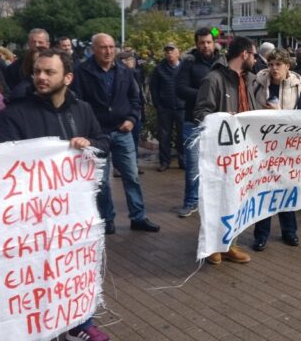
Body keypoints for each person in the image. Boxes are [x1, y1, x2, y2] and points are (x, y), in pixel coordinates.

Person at [0, 48, 111, 341]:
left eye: (49, 72)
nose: (40, 77)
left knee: (74, 267)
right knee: (34, 273)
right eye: (37, 71)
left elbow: (104, 142)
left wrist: (90, 143)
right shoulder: (15, 113)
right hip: (29, 216)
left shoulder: (81, 109)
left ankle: (80, 322)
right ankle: (35, 326)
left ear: (67, 77)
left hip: (72, 213)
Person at [72, 33, 160, 235]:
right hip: (96, 135)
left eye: (112, 47)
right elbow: (77, 104)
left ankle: (138, 217)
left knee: (132, 176)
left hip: (122, 132)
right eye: (103, 47)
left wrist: (131, 119)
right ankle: (106, 219)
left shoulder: (124, 71)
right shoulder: (82, 72)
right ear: (93, 49)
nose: (108, 51)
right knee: (101, 182)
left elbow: (135, 99)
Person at [194, 36, 260, 264]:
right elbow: (201, 113)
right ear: (244, 54)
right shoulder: (213, 79)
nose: (255, 59)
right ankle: (213, 245)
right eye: (253, 54)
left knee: (235, 199)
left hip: (241, 152)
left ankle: (229, 244)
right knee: (216, 198)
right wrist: (224, 119)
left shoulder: (249, 80)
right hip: (220, 153)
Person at [250, 49, 301, 252]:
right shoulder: (257, 83)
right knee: (264, 189)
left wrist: (280, 115)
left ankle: (289, 231)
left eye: (278, 65)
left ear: (287, 67)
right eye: (271, 64)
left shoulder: (298, 88)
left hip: (287, 147)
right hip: (262, 146)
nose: (273, 68)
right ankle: (261, 235)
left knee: (286, 188)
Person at [176, 27, 218, 218]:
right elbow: (180, 88)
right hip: (192, 121)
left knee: (217, 165)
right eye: (202, 42)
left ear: (214, 42)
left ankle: (212, 202)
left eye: (209, 42)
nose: (205, 45)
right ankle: (190, 201)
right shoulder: (189, 63)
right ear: (196, 44)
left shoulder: (221, 62)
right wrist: (205, 95)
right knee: (193, 165)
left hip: (217, 122)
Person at [150, 43, 185, 171]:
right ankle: (164, 162)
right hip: (165, 107)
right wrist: (157, 104)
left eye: (172, 51)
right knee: (164, 136)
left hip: (182, 107)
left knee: (182, 135)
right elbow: (153, 87)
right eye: (167, 51)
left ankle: (183, 160)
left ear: (178, 52)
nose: (169, 53)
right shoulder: (159, 68)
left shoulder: (184, 67)